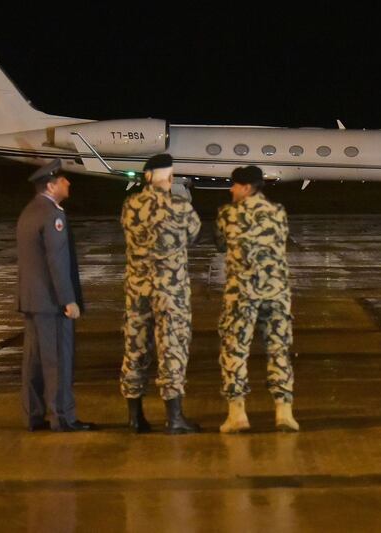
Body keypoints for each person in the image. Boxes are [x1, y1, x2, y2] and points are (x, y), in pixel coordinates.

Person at [120, 153, 202, 434]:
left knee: (135, 347)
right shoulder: (178, 205)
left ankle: (134, 418)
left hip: (137, 289)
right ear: (169, 178)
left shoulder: (131, 205)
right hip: (170, 292)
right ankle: (174, 417)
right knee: (172, 349)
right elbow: (194, 234)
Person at [215, 165, 298, 433]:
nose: (231, 189)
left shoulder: (228, 213)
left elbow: (220, 243)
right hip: (276, 292)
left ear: (246, 188)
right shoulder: (278, 212)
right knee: (278, 351)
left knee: (235, 351)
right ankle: (284, 412)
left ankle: (237, 414)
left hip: (242, 293)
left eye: (234, 185)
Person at [16, 159, 94, 432]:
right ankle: (63, 418)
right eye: (63, 180)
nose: (68, 183)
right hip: (52, 302)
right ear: (51, 185)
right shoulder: (53, 215)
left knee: (34, 362)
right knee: (58, 361)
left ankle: (33, 416)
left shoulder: (29, 211)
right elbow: (56, 262)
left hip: (32, 300)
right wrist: (68, 300)